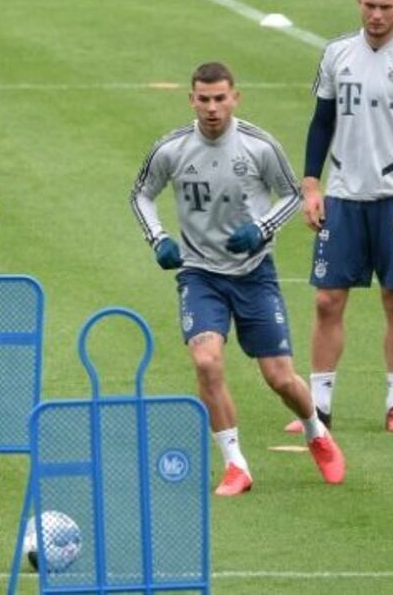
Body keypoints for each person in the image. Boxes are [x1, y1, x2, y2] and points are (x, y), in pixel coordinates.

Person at [130, 62, 345, 496]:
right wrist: (157, 239)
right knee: (206, 361)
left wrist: (262, 230)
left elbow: (293, 195)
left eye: (220, 98)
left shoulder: (258, 145)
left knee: (280, 378)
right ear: (191, 100)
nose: (212, 108)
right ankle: (236, 465)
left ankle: (315, 433)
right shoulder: (171, 149)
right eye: (204, 99)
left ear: (235, 98)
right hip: (199, 274)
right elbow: (141, 194)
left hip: (253, 275)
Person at [289, 0, 393, 435]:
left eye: (385, 7)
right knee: (326, 300)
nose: (376, 16)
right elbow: (321, 123)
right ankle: (318, 407)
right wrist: (312, 185)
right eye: (369, 6)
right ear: (359, 1)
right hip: (343, 195)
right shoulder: (337, 53)